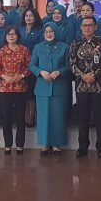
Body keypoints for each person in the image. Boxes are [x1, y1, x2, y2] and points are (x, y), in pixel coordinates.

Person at [70, 16, 101, 158]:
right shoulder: (75, 43)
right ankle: (82, 147)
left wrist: (94, 75)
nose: (87, 28)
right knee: (82, 117)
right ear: (81, 27)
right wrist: (83, 76)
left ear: (95, 27)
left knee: (100, 118)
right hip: (81, 86)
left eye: (90, 25)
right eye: (85, 25)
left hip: (99, 86)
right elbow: (72, 64)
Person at [30, 22, 70, 156]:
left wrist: (59, 72)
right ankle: (45, 144)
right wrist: (40, 72)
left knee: (58, 117)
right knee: (43, 117)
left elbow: (69, 66)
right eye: (46, 31)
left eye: (51, 31)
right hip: (42, 88)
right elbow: (32, 65)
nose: (48, 34)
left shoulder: (65, 47)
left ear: (56, 32)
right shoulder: (38, 47)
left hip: (59, 88)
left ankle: (56, 144)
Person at [0, 26, 31, 154]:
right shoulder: (1, 51)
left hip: (20, 88)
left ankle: (20, 145)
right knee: (6, 118)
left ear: (18, 36)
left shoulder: (24, 50)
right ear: (5, 36)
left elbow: (29, 67)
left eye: (13, 34)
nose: (11, 36)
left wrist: (21, 76)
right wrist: (4, 76)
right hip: (5, 88)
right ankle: (7, 145)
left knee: (20, 118)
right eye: (9, 34)